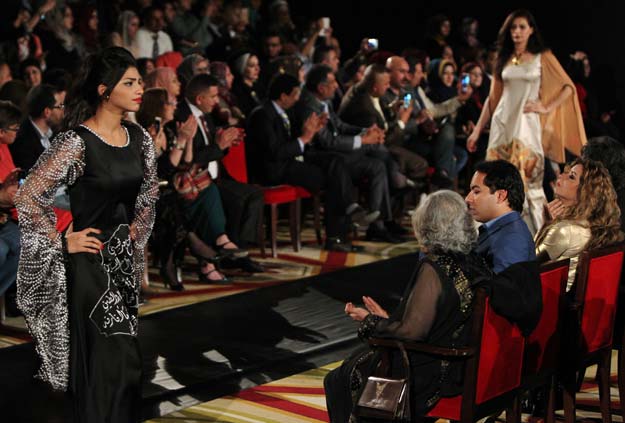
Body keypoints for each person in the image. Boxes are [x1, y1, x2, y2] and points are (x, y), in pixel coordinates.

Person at [15, 47, 158, 422]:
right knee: (117, 360)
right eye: (129, 82)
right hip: (88, 265)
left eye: (140, 81)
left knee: (118, 367)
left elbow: (147, 198)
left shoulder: (139, 138)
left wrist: (135, 238)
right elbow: (28, 196)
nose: (139, 88)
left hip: (121, 264)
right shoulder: (76, 143)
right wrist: (61, 240)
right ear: (104, 90)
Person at [324, 190, 492, 421]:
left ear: (428, 227)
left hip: (431, 373)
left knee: (340, 376)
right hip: (460, 366)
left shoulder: (434, 268)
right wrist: (387, 318)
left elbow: (412, 332)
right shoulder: (471, 260)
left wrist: (371, 321)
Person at [466, 9, 587, 235]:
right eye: (513, 28)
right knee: (494, 182)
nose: (517, 32)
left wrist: (545, 107)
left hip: (527, 126)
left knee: (529, 182)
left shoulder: (543, 56)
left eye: (522, 27)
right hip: (502, 125)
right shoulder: (503, 58)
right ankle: (491, 236)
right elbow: (493, 100)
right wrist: (477, 131)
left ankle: (537, 238)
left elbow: (567, 87)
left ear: (531, 30)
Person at [247, 73, 381, 248]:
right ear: (283, 96)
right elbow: (275, 152)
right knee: (336, 179)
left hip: (292, 162)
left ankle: (346, 219)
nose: (298, 99)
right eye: (295, 94)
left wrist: (313, 129)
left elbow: (293, 141)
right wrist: (305, 137)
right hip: (274, 170)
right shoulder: (262, 115)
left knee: (336, 162)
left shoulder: (285, 111)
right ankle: (338, 233)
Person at [175, 73, 264, 271]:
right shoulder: (182, 117)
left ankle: (239, 252)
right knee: (237, 200)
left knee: (254, 195)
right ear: (200, 99)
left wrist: (226, 143)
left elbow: (214, 147)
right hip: (195, 182)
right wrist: (219, 146)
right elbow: (192, 159)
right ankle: (229, 253)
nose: (217, 102)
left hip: (215, 178)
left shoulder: (205, 115)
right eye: (214, 97)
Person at [535, 158, 623, 289]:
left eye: (571, 177)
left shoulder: (565, 230)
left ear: (585, 192)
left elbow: (526, 263)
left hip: (548, 303)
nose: (561, 175)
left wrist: (545, 225)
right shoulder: (586, 225)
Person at [465, 160, 535, 273]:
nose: (467, 198)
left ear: (501, 196)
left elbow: (503, 289)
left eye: (476, 192)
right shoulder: (504, 230)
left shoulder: (512, 239)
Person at [10, 84, 66, 173]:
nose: (63, 110)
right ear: (47, 112)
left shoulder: (56, 133)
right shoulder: (22, 141)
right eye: (60, 106)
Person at [0, 100, 23, 297]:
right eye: (14, 129)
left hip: (5, 216)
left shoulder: (5, 148)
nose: (17, 133)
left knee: (25, 245)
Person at [231, 52, 263, 117]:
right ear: (242, 67)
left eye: (258, 65)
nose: (257, 69)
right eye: (252, 66)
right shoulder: (238, 91)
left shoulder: (260, 87)